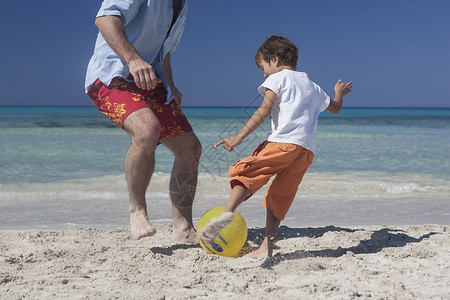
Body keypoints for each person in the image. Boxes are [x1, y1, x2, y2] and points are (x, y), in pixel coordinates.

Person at [200, 36, 352, 257]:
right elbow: (335, 107)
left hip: (282, 144)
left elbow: (263, 110)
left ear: (275, 59)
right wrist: (338, 92)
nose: (263, 73)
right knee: (280, 196)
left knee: (246, 172)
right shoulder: (313, 86)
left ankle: (226, 215)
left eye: (263, 67)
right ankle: (267, 247)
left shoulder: (278, 79)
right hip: (306, 152)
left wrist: (239, 136)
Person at [85, 0, 201, 243]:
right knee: (148, 130)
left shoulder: (183, 7)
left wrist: (171, 84)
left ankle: (184, 228)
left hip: (151, 80)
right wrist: (133, 59)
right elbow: (105, 18)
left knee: (190, 148)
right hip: (112, 74)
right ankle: (137, 211)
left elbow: (164, 50)